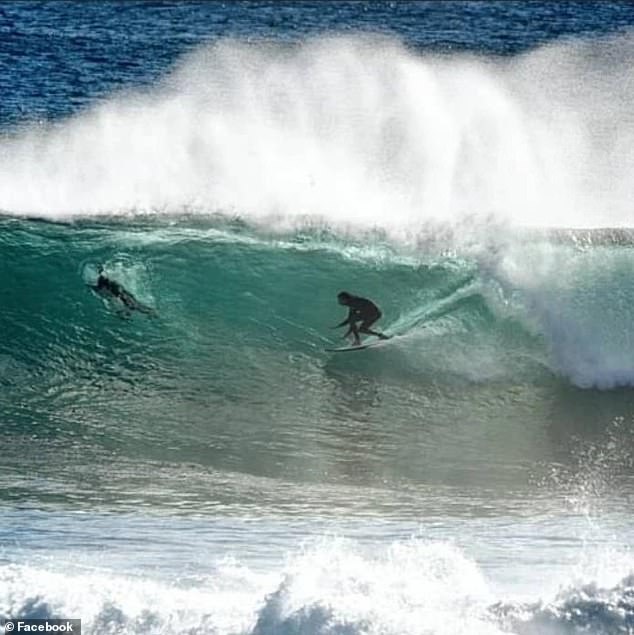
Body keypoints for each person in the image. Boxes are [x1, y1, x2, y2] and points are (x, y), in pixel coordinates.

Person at [90, 266, 156, 317]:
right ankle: (150, 312)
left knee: (134, 306)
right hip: (124, 294)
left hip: (124, 296)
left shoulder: (106, 281)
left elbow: (100, 287)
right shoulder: (108, 280)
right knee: (135, 305)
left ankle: (150, 312)